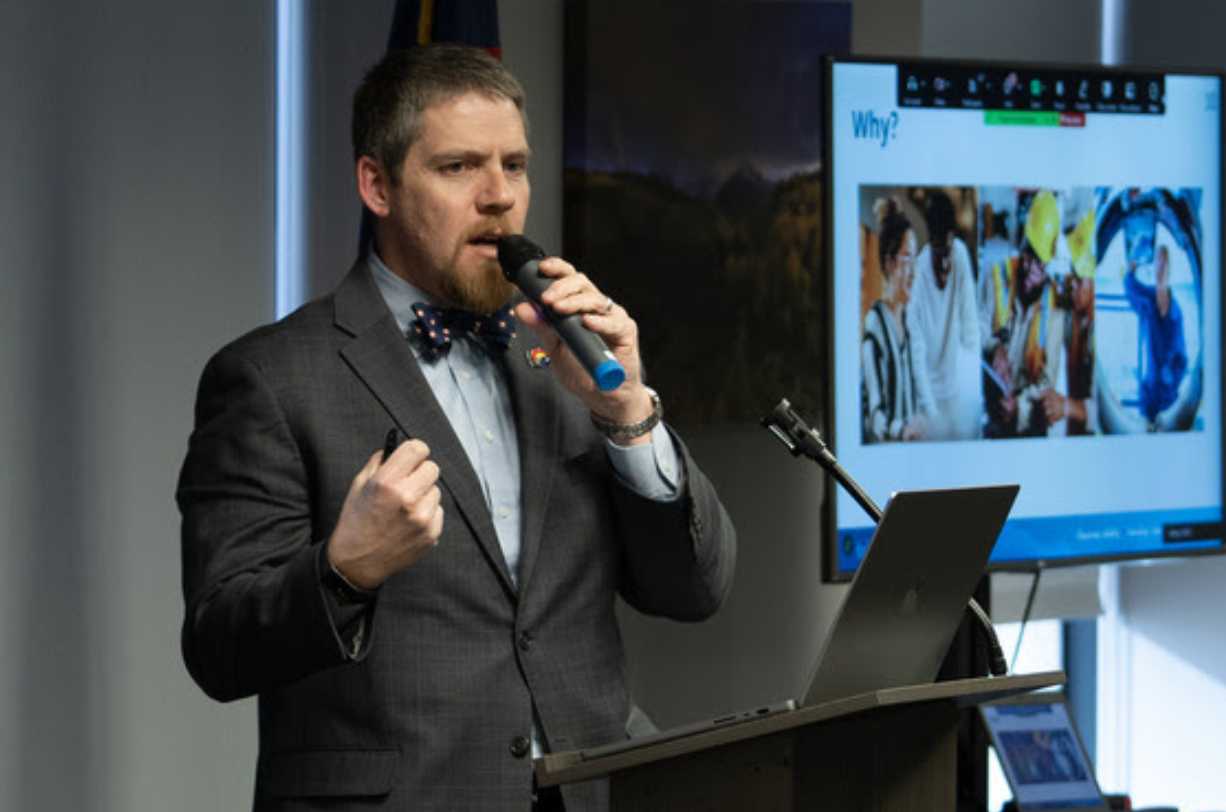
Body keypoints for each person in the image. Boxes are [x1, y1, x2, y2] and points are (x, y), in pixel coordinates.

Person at [176, 44, 736, 812]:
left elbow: (696, 589)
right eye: (458, 167)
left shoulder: (569, 350)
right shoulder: (270, 379)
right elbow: (218, 646)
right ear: (377, 184)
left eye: (515, 165)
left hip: (595, 791)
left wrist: (628, 416)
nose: (499, 196)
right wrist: (345, 571)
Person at [983, 190, 1095, 437]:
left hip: (1028, 426)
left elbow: (1047, 382)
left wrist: (1019, 408)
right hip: (991, 416)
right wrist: (994, 349)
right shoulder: (996, 278)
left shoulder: (1054, 308)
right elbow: (975, 337)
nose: (1029, 269)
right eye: (1026, 256)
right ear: (1021, 250)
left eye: (1038, 264)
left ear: (1047, 264)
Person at [908, 190, 980, 440]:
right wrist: (930, 410)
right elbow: (915, 349)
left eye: (948, 251)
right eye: (940, 253)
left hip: (956, 390)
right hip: (927, 396)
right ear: (931, 242)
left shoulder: (959, 254)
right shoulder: (918, 274)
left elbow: (970, 326)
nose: (946, 265)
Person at [861, 196, 928, 443]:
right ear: (890, 264)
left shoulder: (909, 324)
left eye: (915, 261)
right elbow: (874, 416)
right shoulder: (876, 324)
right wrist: (902, 430)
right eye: (907, 260)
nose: (913, 273)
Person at [1125, 244, 1188, 425]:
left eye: (1164, 265)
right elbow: (1130, 287)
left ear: (1169, 271)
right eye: (1157, 264)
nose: (1160, 269)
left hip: (1169, 399)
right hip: (1148, 396)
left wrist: (1170, 380)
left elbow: (1182, 362)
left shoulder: (1176, 314)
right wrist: (1133, 266)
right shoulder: (1148, 300)